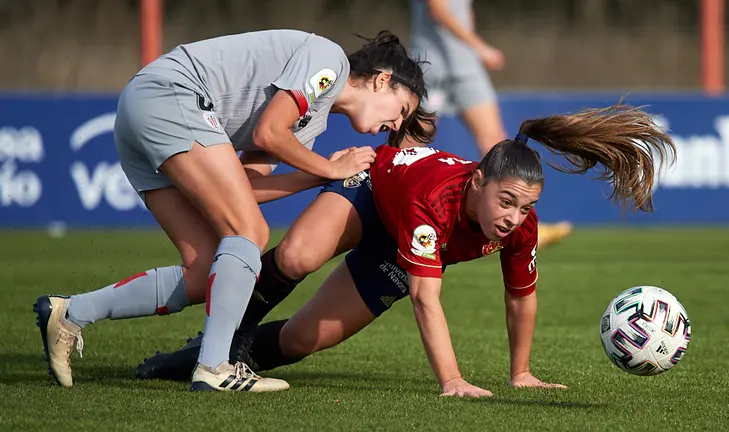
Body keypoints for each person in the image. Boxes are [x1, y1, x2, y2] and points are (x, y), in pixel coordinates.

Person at [137, 103, 676, 397]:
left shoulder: (520, 226)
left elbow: (520, 298)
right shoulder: (437, 201)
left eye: (524, 206)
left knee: (304, 339)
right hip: (370, 193)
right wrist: (452, 381)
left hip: (395, 248)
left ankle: (193, 361)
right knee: (298, 256)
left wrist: (520, 372)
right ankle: (215, 346)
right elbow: (425, 298)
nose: (513, 217)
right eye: (505, 201)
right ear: (476, 182)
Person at [32, 29, 434, 392]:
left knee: (205, 269)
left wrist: (319, 178)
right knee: (251, 233)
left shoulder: (311, 123)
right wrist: (330, 168)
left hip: (144, 114)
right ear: (383, 80)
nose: (395, 125)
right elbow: (268, 133)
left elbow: (243, 186)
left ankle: (70, 313)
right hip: (171, 94)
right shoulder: (330, 60)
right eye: (400, 110)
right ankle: (214, 366)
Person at [409, 0, 573, 249]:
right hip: (431, 63)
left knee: (495, 142)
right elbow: (439, 9)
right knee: (412, 144)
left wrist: (472, 46)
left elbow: (464, 11)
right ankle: (398, 212)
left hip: (466, 66)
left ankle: (521, 225)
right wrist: (479, 46)